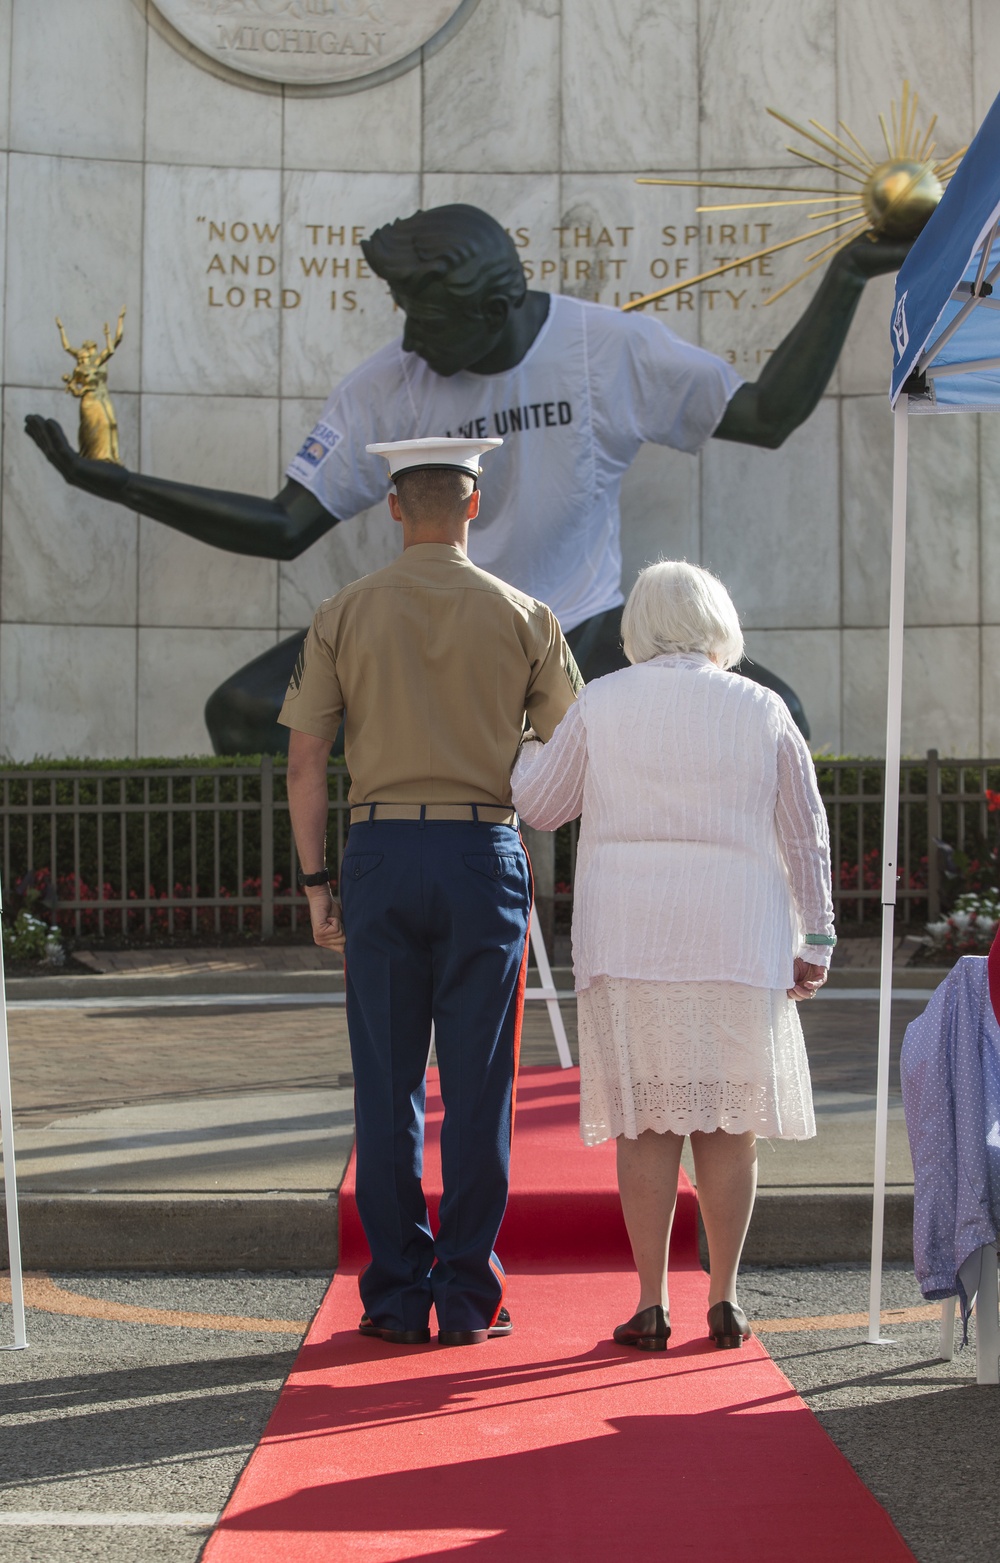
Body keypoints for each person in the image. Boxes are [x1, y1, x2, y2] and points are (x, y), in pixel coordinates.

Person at [24, 204, 908, 752]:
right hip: (435, 634)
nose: (410, 341)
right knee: (247, 711)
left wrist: (846, 276)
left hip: (581, 630)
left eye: (427, 320)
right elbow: (285, 524)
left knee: (773, 708)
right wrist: (119, 483)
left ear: (496, 310)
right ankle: (374, 865)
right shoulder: (387, 385)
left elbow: (764, 418)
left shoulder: (605, 349)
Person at [281, 435, 581, 1347]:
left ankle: (396, 1296)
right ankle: (467, 1296)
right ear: (474, 506)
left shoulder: (343, 610)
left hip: (376, 850)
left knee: (387, 1084)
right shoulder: (528, 614)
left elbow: (304, 760)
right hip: (483, 851)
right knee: (482, 1086)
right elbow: (570, 751)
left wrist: (315, 883)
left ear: (396, 507)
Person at [511, 560, 835, 1351]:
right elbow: (805, 830)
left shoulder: (603, 702)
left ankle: (651, 1303)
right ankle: (724, 1298)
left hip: (631, 935)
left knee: (646, 1125)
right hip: (739, 934)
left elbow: (543, 804)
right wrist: (817, 936)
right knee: (730, 1129)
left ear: (636, 629)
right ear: (718, 620)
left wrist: (522, 742)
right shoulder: (762, 706)